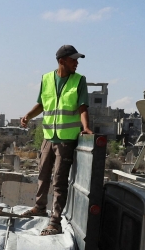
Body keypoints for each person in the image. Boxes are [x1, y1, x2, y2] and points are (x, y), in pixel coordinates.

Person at [20, 45, 93, 236]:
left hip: (66, 139)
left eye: (77, 60)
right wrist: (28, 115)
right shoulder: (46, 79)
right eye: (73, 60)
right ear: (62, 61)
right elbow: (43, 104)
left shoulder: (79, 81)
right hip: (48, 137)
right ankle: (39, 207)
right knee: (43, 175)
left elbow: (82, 107)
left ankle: (55, 221)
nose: (76, 63)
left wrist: (85, 127)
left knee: (59, 181)